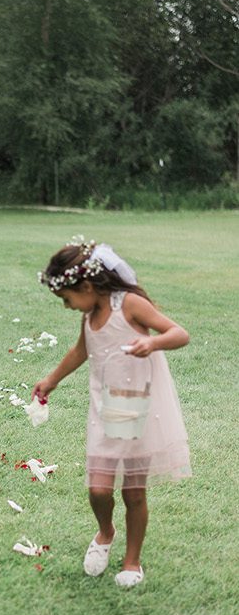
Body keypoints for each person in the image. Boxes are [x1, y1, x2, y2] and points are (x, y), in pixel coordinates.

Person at [32, 239, 189, 588]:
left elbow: (179, 333)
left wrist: (152, 342)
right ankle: (106, 532)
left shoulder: (130, 304)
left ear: (86, 286)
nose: (67, 306)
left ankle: (132, 560)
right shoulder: (90, 316)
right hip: (103, 412)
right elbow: (80, 351)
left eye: (66, 298)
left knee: (134, 493)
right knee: (99, 489)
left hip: (138, 410)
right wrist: (51, 380)